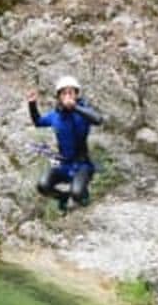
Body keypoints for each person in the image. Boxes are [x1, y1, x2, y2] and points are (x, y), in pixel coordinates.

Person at [28, 75, 104, 213]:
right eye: (64, 93)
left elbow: (98, 120)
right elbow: (38, 122)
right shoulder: (55, 115)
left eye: (71, 92)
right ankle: (63, 197)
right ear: (59, 97)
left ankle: (81, 193)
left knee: (77, 195)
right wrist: (32, 104)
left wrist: (75, 107)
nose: (68, 96)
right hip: (63, 163)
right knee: (43, 186)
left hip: (82, 165)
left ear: (76, 95)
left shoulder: (83, 111)